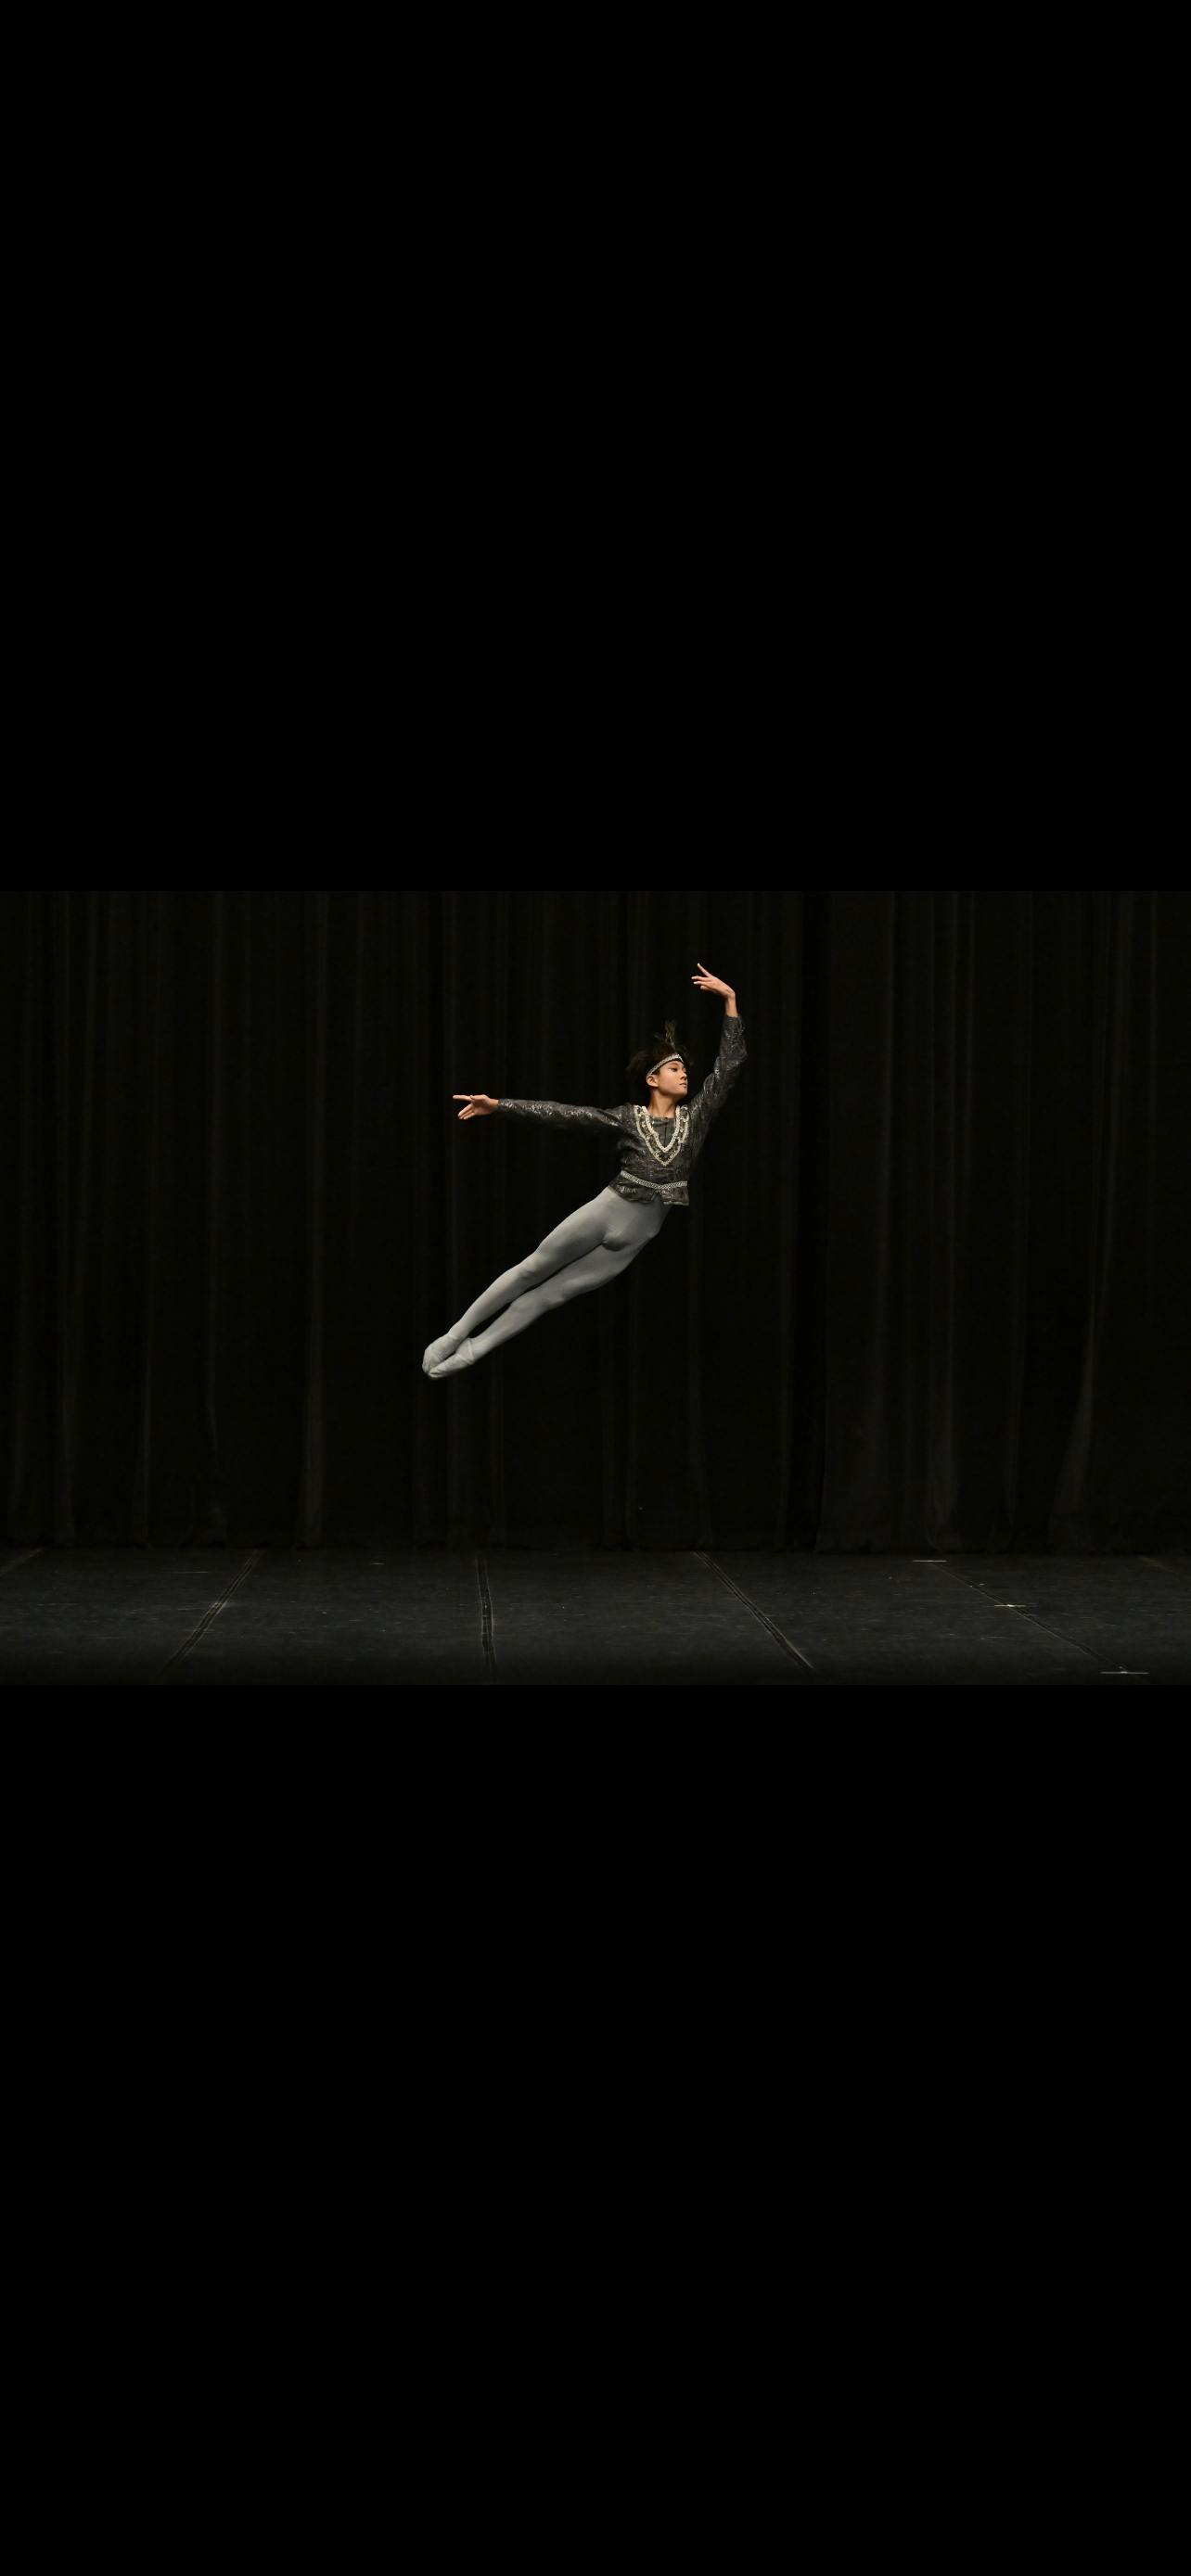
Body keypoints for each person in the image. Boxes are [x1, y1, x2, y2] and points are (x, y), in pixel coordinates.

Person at [423, 963, 746, 1377]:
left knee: (549, 1296)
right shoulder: (628, 1117)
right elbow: (564, 1114)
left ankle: (472, 1352)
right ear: (653, 1079)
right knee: (531, 1270)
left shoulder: (695, 1117)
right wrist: (499, 1106)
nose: (685, 1074)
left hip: (638, 1236)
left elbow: (728, 1067)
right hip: (608, 1210)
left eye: (685, 1069)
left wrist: (730, 1001)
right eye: (675, 1068)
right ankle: (455, 1334)